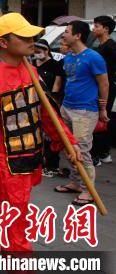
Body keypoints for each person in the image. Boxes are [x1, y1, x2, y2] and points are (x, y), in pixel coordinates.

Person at [0, 13, 80, 274]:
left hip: (29, 155)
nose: (32, 41)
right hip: (3, 162)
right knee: (15, 220)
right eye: (23, 36)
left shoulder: (29, 70)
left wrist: (67, 141)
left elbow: (46, 112)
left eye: (32, 35)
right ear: (4, 42)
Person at [53, 20, 109, 206]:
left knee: (82, 151)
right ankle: (76, 183)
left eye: (67, 32)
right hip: (67, 107)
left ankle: (88, 190)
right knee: (69, 149)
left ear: (77, 35)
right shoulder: (68, 57)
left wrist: (102, 109)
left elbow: (104, 84)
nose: (63, 35)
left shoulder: (93, 57)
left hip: (85, 111)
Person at [33, 38, 63, 177]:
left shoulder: (55, 65)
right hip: (35, 104)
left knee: (51, 135)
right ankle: (40, 163)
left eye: (40, 50)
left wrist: (51, 102)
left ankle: (52, 165)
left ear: (47, 50)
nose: (37, 53)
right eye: (36, 51)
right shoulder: (32, 65)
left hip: (50, 103)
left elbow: (57, 86)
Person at [91, 15, 115, 165]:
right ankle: (102, 152)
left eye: (97, 26)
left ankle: (100, 154)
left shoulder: (111, 47)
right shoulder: (100, 46)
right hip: (98, 86)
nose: (94, 28)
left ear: (106, 29)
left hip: (106, 87)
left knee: (101, 117)